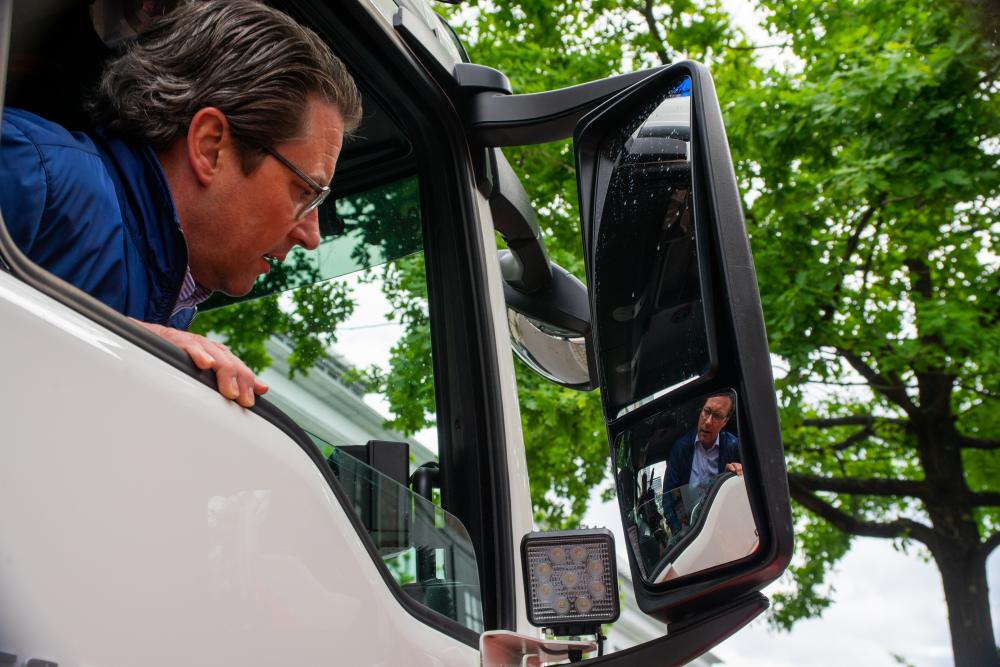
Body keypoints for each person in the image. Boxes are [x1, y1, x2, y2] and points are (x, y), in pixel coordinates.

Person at [0, 0, 362, 407]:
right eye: (305, 192)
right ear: (210, 147)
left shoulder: (172, 305)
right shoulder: (28, 167)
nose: (311, 236)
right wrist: (100, 344)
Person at [662, 393, 742, 493]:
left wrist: (737, 475)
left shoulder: (734, 447)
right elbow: (669, 498)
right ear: (701, 410)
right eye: (707, 411)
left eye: (717, 416)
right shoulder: (679, 449)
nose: (708, 422)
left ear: (725, 422)